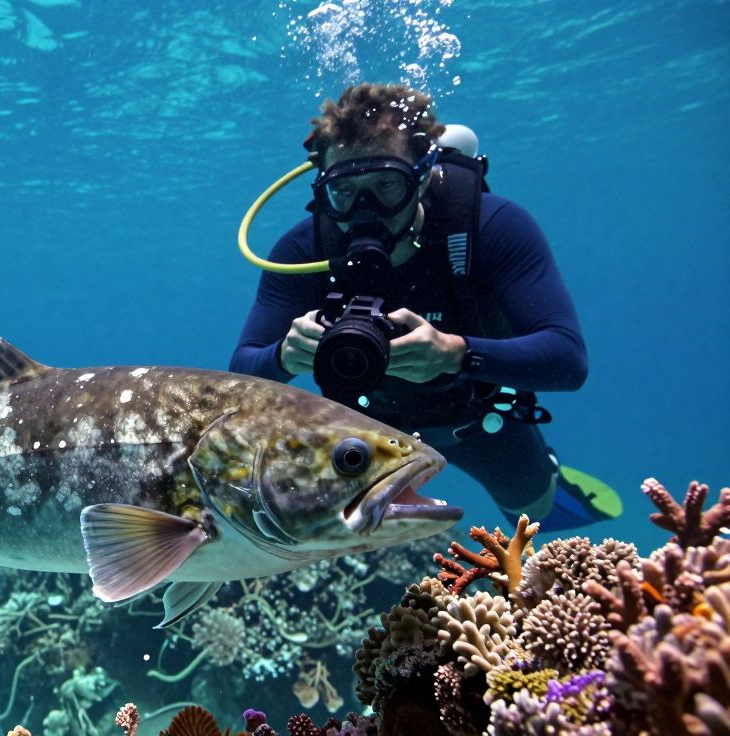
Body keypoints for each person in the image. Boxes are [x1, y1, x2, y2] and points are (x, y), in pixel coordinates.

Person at [230, 83, 620, 531]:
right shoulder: (302, 251)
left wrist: (457, 353)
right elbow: (241, 373)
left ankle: (552, 484)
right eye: (345, 191)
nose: (365, 210)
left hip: (481, 419)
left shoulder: (490, 227)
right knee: (330, 531)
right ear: (323, 189)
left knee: (535, 508)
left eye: (386, 185)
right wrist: (282, 356)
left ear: (420, 175)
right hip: (361, 437)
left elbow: (569, 361)